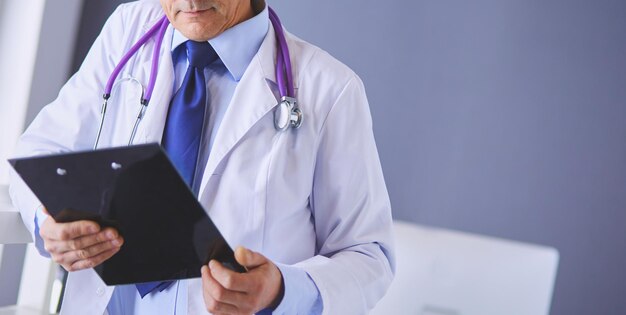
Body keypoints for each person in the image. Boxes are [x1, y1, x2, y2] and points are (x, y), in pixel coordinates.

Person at [9, 0, 395, 314]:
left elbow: (368, 257)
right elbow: (40, 150)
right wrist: (48, 223)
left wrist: (280, 289)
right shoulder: (128, 31)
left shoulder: (331, 90)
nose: (190, 2)